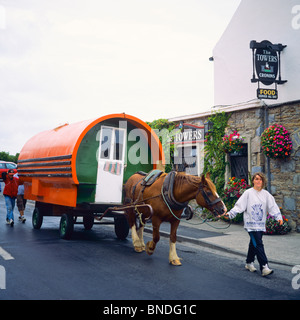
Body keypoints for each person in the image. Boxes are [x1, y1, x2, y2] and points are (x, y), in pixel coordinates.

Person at [224, 172, 283, 276]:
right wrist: (230, 214)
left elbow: (273, 206)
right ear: (253, 181)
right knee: (258, 244)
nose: (258, 181)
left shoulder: (266, 194)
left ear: (263, 181)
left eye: (260, 179)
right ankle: (264, 266)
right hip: (251, 224)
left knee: (254, 244)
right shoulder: (248, 193)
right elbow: (239, 206)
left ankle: (249, 262)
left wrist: (278, 217)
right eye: (256, 179)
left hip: (260, 224)